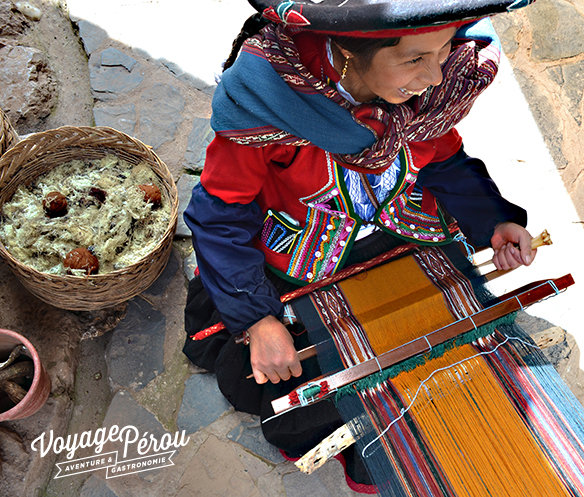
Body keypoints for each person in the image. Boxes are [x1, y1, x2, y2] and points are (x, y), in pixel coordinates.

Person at [183, 0, 536, 489]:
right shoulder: (268, 108)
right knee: (294, 379)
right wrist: (259, 320)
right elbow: (219, 216)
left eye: (446, 49)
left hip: (396, 231)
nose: (436, 76)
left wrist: (493, 221)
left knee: (450, 341)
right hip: (304, 255)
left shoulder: (425, 100)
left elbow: (444, 158)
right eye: (415, 59)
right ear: (353, 52)